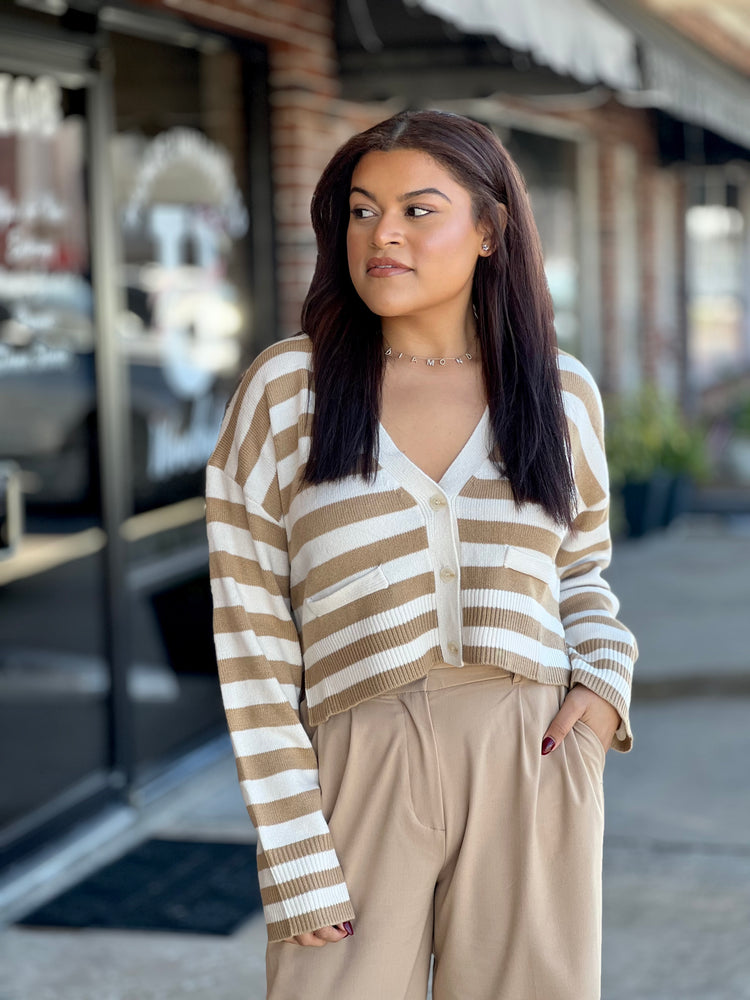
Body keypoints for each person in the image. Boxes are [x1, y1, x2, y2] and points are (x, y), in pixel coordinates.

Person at [205, 109, 637, 1000]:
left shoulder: (560, 392)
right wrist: (291, 840)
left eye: (417, 210)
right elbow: (251, 632)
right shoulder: (289, 392)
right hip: (357, 760)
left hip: (533, 754)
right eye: (362, 212)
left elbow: (582, 573)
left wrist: (599, 687)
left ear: (488, 230)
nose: (383, 235)